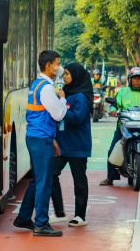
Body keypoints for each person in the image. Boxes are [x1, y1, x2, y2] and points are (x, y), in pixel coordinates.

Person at [14, 50, 68, 237]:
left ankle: (23, 217)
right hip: (40, 138)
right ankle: (41, 224)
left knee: (38, 180)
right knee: (44, 182)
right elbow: (58, 114)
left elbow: (41, 116)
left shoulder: (37, 85)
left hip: (37, 136)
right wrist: (62, 98)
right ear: (48, 65)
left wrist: (51, 140)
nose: (59, 67)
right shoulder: (46, 88)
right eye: (57, 63)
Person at [49, 63, 92, 227]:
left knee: (79, 181)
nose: (64, 77)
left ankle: (80, 215)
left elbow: (77, 118)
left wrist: (61, 103)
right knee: (51, 173)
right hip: (63, 145)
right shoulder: (67, 93)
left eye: (67, 74)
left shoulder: (80, 97)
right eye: (64, 74)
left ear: (77, 76)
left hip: (78, 146)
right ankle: (59, 212)